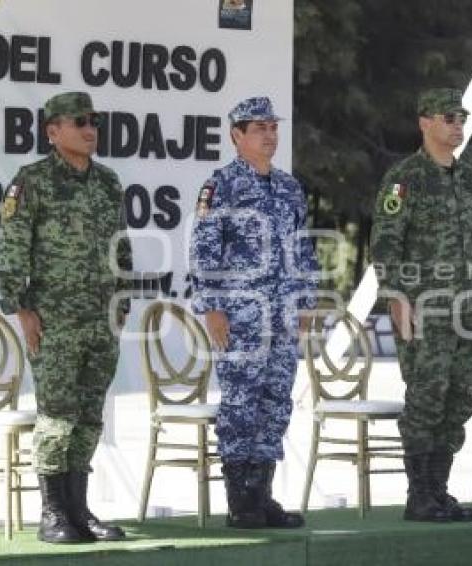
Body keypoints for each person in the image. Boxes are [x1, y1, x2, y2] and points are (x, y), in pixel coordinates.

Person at [0, 92, 131, 543]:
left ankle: (80, 510)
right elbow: (13, 247)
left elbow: (120, 246)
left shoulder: (108, 183)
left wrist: (123, 302)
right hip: (53, 319)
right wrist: (21, 308)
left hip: (100, 321)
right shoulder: (31, 181)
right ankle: (53, 514)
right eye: (79, 121)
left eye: (93, 121)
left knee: (90, 415)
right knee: (57, 414)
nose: (90, 129)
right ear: (53, 132)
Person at [189, 96, 318, 528]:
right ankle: (240, 501)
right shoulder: (220, 185)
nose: (269, 134)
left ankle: (262, 495)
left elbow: (302, 247)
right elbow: (203, 250)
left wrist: (305, 300)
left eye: (273, 127)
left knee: (276, 403)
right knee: (241, 404)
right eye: (259, 128)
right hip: (241, 318)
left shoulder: (288, 187)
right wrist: (211, 308)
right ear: (237, 135)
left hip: (282, 317)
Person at [370, 88, 472, 522]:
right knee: (426, 397)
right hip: (424, 311)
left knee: (458, 400)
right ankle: (418, 494)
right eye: (448, 117)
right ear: (425, 122)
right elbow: (385, 244)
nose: (457, 124)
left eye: (461, 118)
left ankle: (439, 491)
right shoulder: (405, 179)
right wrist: (397, 297)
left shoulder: (471, 179)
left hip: (465, 310)